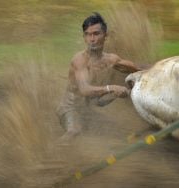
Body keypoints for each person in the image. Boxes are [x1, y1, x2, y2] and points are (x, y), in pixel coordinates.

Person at [56, 12, 143, 141]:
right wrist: (111, 89)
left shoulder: (111, 60)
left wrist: (160, 70)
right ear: (84, 37)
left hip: (89, 111)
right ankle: (53, 156)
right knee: (74, 131)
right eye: (88, 34)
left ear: (105, 35)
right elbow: (84, 90)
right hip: (69, 109)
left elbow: (138, 69)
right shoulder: (79, 60)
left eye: (96, 34)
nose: (92, 39)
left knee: (120, 133)